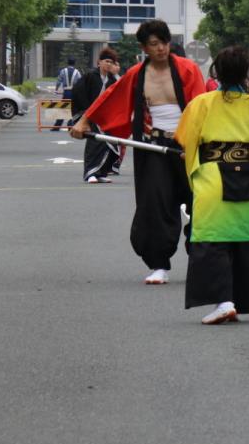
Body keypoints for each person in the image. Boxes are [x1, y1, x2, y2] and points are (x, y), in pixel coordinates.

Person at [69, 19, 206, 284]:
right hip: (153, 147)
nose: (161, 49)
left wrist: (195, 144)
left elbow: (201, 109)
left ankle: (201, 261)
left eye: (164, 42)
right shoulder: (137, 74)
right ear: (144, 47)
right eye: (154, 44)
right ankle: (159, 265)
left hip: (188, 146)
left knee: (201, 203)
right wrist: (85, 120)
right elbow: (111, 97)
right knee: (155, 205)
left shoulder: (188, 69)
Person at [174, 46, 249, 324]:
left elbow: (185, 140)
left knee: (213, 241)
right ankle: (237, 299)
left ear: (216, 72)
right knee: (244, 241)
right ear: (247, 73)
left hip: (212, 178)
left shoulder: (200, 104)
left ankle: (223, 302)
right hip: (246, 178)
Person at [70, 47, 121, 184]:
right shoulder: (90, 76)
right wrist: (85, 115)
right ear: (99, 62)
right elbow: (78, 93)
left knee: (109, 144)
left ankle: (101, 172)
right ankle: (90, 173)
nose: (109, 64)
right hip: (90, 115)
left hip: (105, 117)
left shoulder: (111, 79)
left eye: (111, 62)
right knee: (94, 143)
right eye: (106, 61)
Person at [52, 59, 83, 130]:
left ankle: (57, 126)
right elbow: (80, 83)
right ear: (74, 63)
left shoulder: (63, 71)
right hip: (74, 92)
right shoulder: (77, 72)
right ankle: (70, 124)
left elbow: (59, 81)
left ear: (67, 63)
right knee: (73, 109)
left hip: (66, 92)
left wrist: (56, 89)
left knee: (63, 108)